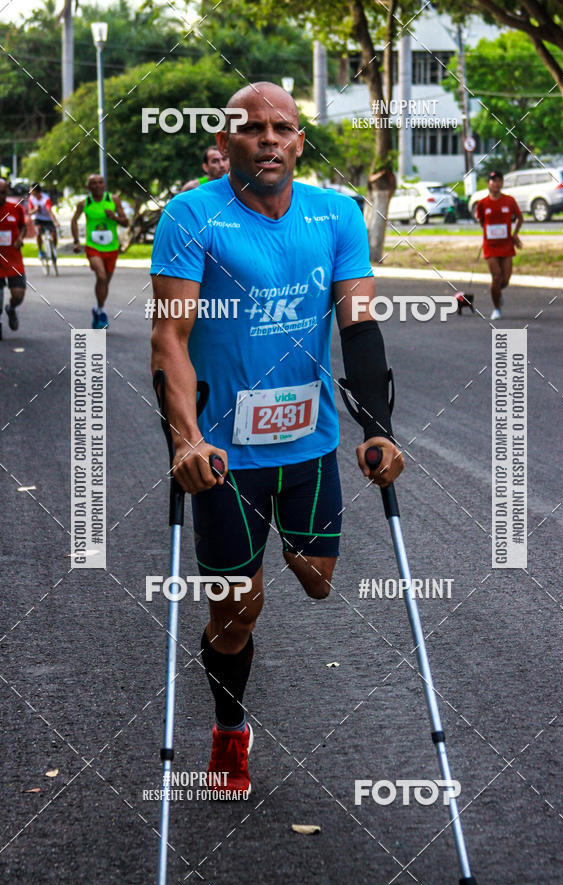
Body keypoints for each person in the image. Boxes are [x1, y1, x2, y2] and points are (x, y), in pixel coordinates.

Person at [150, 82, 404, 799]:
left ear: (299, 140)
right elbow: (169, 337)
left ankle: (278, 565)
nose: (268, 138)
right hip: (221, 456)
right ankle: (230, 729)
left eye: (282, 127)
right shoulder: (190, 216)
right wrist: (185, 440)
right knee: (236, 613)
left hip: (308, 441)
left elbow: (359, 327)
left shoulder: (337, 214)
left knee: (317, 581)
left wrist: (377, 431)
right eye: (251, 127)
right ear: (225, 140)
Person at [71, 174, 129, 328]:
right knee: (101, 277)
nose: (97, 185)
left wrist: (114, 217)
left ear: (104, 185)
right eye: (93, 183)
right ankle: (102, 312)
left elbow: (126, 222)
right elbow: (74, 220)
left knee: (105, 282)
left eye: (100, 182)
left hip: (112, 247)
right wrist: (76, 241)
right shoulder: (84, 203)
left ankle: (98, 309)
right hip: (93, 246)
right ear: (88, 187)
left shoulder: (113, 200)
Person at [476, 170, 523, 320]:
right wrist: (489, 232)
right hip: (490, 245)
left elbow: (519, 217)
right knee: (496, 276)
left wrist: (515, 234)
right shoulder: (482, 203)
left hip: (506, 244)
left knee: (505, 279)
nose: (496, 183)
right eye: (493, 180)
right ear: (488, 183)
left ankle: (496, 291)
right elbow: (482, 221)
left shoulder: (509, 201)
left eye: (499, 180)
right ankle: (496, 308)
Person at [0, 178, 27, 334]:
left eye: (3, 193)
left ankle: (11, 308)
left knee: (18, 295)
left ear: (7, 192)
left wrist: (20, 238)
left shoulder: (15, 208)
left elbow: (23, 226)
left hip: (13, 259)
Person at [28, 184, 59, 260]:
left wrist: (55, 222)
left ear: (36, 191)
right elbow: (30, 212)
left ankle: (53, 250)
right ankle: (40, 251)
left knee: (54, 234)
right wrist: (35, 209)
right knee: (38, 231)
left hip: (48, 219)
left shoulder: (46, 199)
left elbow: (50, 211)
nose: (30, 192)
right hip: (38, 219)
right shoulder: (31, 198)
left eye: (31, 190)